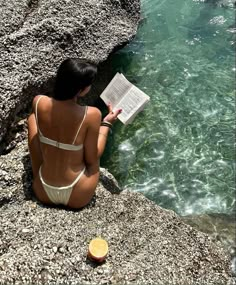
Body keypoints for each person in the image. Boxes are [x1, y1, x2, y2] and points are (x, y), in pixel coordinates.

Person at [27, 58, 121, 208]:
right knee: (93, 162)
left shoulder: (38, 102)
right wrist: (107, 123)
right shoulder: (91, 114)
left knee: (32, 119)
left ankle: (41, 170)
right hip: (78, 193)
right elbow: (92, 157)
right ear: (81, 90)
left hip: (42, 190)